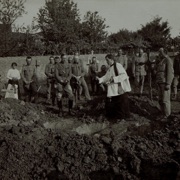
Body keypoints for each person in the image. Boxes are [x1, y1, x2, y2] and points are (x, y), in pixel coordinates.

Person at [97, 54, 131, 120]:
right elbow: (106, 77)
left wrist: (114, 79)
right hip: (115, 90)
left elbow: (124, 75)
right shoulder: (110, 68)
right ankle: (119, 117)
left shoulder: (118, 66)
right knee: (117, 103)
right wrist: (99, 79)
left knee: (122, 103)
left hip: (120, 88)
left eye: (107, 60)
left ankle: (124, 118)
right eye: (106, 60)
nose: (106, 62)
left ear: (111, 59)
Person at [155, 48, 174, 120]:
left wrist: (168, 83)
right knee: (160, 99)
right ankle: (162, 113)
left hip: (164, 83)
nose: (159, 54)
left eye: (160, 52)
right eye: (159, 52)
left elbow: (170, 73)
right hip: (160, 82)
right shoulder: (161, 60)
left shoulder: (168, 60)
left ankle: (167, 115)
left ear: (165, 52)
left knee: (165, 100)